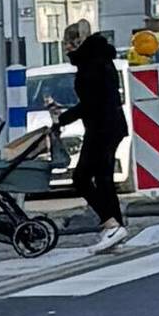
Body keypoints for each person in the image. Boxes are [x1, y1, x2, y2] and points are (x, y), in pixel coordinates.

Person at [48, 20, 131, 254]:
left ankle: (111, 223)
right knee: (103, 178)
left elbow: (91, 104)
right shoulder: (99, 59)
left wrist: (62, 119)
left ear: (78, 43)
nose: (65, 49)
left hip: (102, 128)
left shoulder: (90, 65)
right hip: (109, 125)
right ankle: (115, 228)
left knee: (82, 177)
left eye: (68, 44)